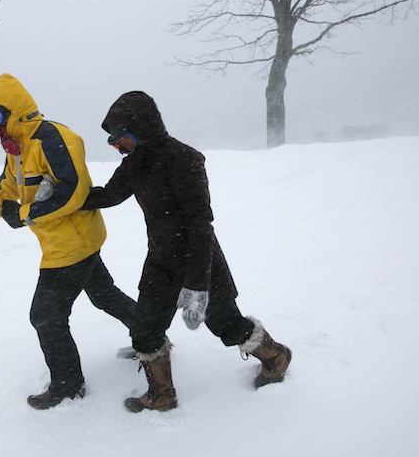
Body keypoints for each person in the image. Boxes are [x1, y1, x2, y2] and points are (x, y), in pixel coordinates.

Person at [82, 90, 292, 413]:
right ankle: (162, 395)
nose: (121, 150)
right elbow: (109, 195)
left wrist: (197, 286)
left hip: (199, 260)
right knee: (146, 329)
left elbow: (200, 225)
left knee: (227, 325)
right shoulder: (135, 164)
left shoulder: (183, 159)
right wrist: (65, 198)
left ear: (143, 129)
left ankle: (276, 357)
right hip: (161, 262)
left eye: (123, 141)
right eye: (116, 145)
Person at [0, 74, 138, 410]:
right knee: (104, 296)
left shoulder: (52, 138)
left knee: (46, 317)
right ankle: (150, 336)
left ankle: (68, 386)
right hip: (67, 243)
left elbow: (74, 193)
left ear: (14, 109)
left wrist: (24, 215)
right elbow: (2, 192)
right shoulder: (18, 149)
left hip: (72, 245)